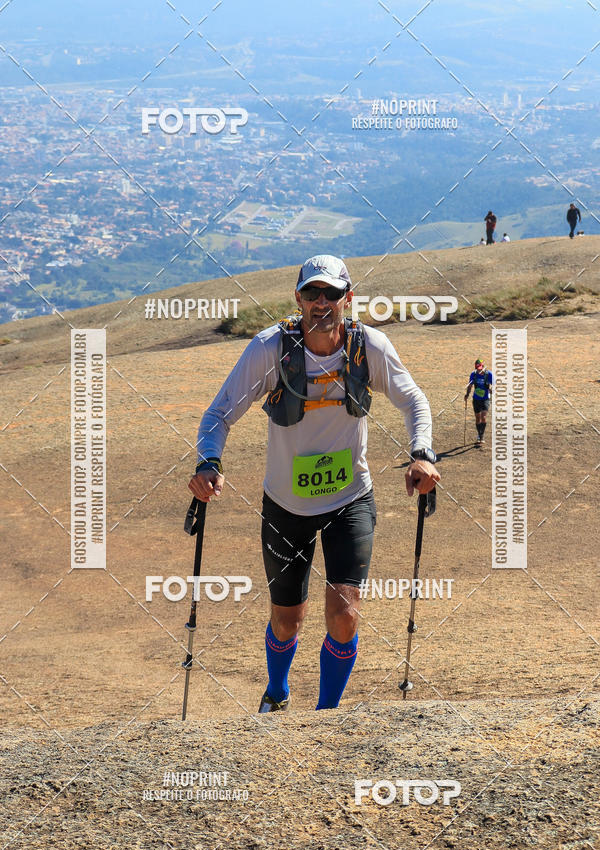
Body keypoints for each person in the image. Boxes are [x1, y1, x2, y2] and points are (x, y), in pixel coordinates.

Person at [188, 254, 440, 713]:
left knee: (344, 614)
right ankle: (277, 691)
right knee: (287, 620)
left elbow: (414, 402)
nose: (321, 302)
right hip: (286, 506)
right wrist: (209, 461)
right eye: (311, 292)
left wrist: (421, 453)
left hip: (350, 499)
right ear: (298, 298)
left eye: (331, 293)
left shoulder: (369, 347)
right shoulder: (269, 349)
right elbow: (218, 413)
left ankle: (326, 716)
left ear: (348, 298)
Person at [464, 358, 493, 446]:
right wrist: (467, 395)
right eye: (477, 368)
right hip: (476, 399)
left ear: (483, 367)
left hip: (485, 399)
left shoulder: (489, 374)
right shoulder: (473, 374)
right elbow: (470, 385)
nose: (479, 370)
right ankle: (479, 435)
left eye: (480, 368)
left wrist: (492, 390)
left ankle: (481, 436)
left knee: (483, 417)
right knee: (477, 418)